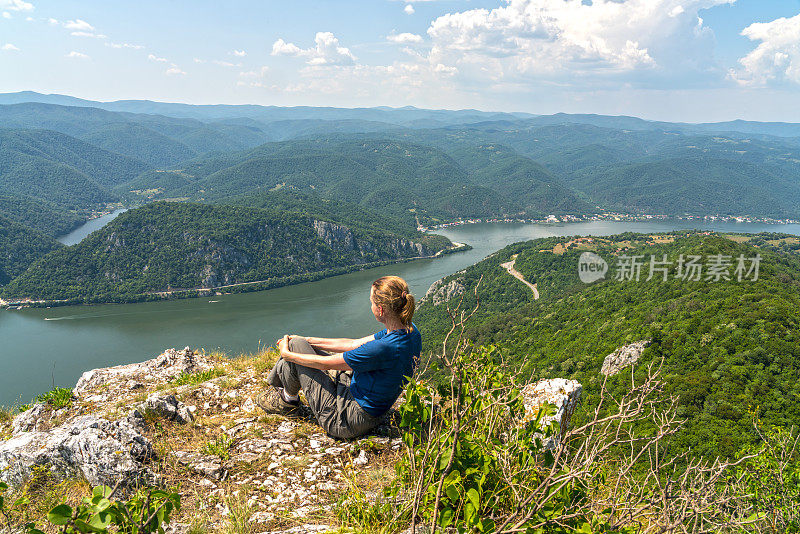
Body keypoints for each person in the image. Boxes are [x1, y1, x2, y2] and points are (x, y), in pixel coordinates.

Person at [258, 275, 421, 439]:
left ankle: (287, 401)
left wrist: (287, 353)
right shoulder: (409, 330)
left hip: (346, 420)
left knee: (295, 349)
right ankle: (283, 391)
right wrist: (307, 341)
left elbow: (325, 364)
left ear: (380, 309)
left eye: (371, 302)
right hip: (369, 408)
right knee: (298, 343)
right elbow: (352, 344)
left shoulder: (383, 347)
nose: (370, 306)